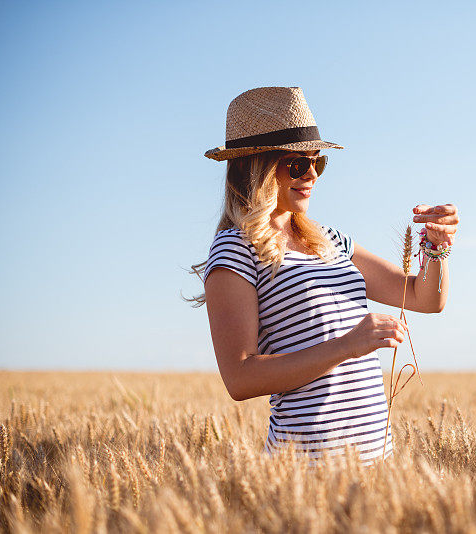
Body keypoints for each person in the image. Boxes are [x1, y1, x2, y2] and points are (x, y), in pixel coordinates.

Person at [188, 87, 459, 466]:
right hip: (304, 474)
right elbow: (239, 377)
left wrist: (435, 246)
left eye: (318, 163)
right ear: (258, 168)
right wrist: (347, 345)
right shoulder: (235, 250)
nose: (312, 174)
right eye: (297, 165)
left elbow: (424, 299)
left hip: (377, 465)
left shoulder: (332, 240)